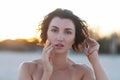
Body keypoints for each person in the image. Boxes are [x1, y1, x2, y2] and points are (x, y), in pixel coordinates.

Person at [18, 8, 109, 80]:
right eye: (54, 30)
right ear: (46, 33)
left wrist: (95, 61)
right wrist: (47, 73)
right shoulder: (28, 68)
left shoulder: (82, 72)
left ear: (74, 38)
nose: (60, 38)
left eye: (68, 32)